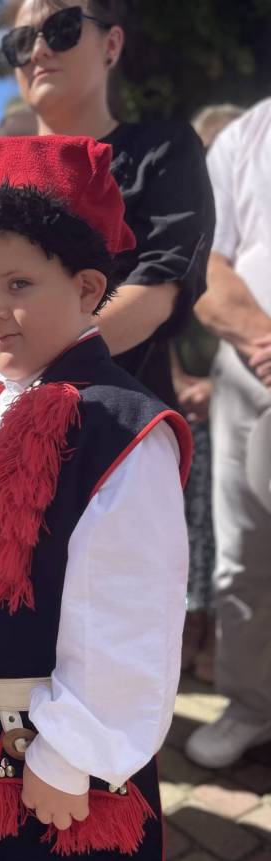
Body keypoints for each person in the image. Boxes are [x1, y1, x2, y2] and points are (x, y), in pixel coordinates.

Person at [0, 135, 191, 861]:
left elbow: (130, 611)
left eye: (19, 285)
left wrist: (74, 752)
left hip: (44, 741)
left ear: (85, 287)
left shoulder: (118, 426)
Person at [0, 0, 214, 409]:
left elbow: (160, 283)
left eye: (63, 29)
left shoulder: (164, 149)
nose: (38, 51)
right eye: (21, 41)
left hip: (113, 418)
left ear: (111, 45)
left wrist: (28, 363)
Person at [186, 98, 271, 768]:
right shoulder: (246, 137)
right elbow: (206, 263)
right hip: (251, 372)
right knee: (243, 553)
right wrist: (264, 344)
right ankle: (251, 706)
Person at [174, 104, 243, 684]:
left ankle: (220, 631)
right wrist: (180, 384)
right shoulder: (183, 230)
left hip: (241, 393)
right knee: (191, 518)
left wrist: (221, 387)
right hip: (185, 399)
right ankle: (191, 623)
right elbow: (161, 316)